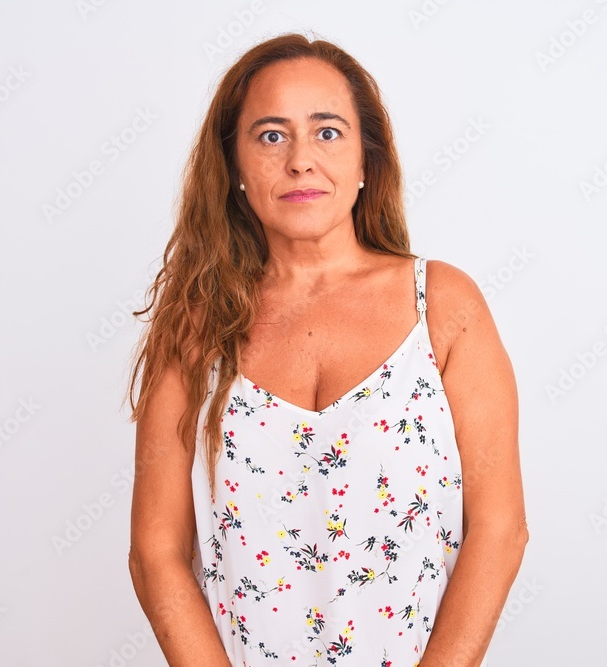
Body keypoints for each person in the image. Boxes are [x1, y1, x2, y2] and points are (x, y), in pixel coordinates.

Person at [124, 32, 528, 666]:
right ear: (233, 165)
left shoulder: (443, 306)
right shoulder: (195, 329)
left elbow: (499, 530)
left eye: (328, 132)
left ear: (367, 159)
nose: (301, 161)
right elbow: (156, 554)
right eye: (271, 135)